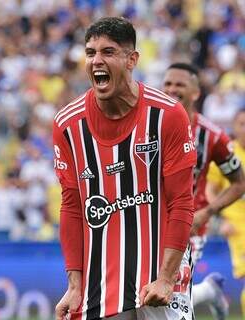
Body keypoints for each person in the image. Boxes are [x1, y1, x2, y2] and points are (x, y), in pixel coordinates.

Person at [53, 17, 197, 320]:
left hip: (160, 276)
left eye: (108, 52)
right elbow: (72, 206)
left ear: (132, 60)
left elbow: (181, 202)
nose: (96, 61)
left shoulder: (167, 115)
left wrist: (167, 278)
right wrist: (74, 285)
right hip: (101, 279)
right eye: (91, 53)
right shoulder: (67, 125)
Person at [162, 62, 245, 320]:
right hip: (152, 223)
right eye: (168, 84)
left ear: (196, 93)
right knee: (157, 293)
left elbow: (239, 182)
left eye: (180, 85)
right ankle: (208, 291)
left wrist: (206, 213)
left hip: (190, 224)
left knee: (174, 291)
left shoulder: (212, 136)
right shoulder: (148, 126)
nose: (172, 89)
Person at [206, 108, 245, 319]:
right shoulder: (228, 156)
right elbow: (210, 191)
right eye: (242, 124)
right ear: (234, 127)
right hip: (239, 228)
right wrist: (221, 218)